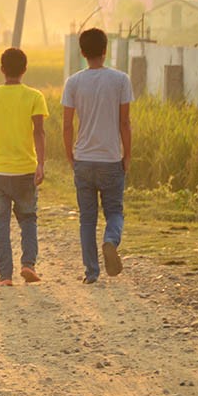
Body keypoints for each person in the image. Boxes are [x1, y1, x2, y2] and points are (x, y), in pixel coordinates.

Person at [62, 28, 133, 283]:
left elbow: (67, 124)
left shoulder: (73, 82)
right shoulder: (121, 80)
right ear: (106, 51)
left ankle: (91, 272)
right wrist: (127, 155)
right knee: (114, 211)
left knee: (87, 219)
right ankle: (111, 241)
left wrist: (70, 154)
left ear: (82, 52)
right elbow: (124, 123)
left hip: (83, 159)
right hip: (111, 159)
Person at [0, 47, 49, 286]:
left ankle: (5, 276)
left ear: (2, 69)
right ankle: (28, 264)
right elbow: (39, 132)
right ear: (25, 69)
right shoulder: (35, 97)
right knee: (28, 219)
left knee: (0, 224)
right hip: (26, 170)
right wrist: (41, 163)